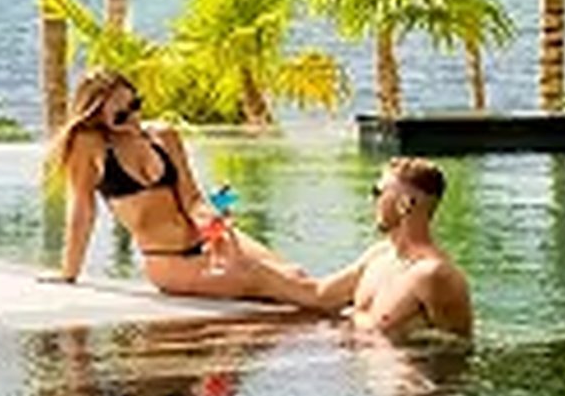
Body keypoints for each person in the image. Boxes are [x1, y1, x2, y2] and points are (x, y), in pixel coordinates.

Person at [51, 69, 341, 310]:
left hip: (208, 238)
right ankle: (361, 289)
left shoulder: (163, 136)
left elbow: (192, 198)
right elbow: (82, 210)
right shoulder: (89, 145)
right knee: (277, 283)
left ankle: (358, 300)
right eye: (120, 115)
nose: (133, 118)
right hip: (169, 261)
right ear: (96, 114)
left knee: (295, 276)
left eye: (135, 105)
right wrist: (69, 274)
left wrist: (213, 224)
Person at [324, 156, 474, 341]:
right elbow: (317, 294)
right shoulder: (379, 256)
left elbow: (458, 348)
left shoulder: (434, 275)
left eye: (378, 192)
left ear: (405, 204)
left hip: (399, 368)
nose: (372, 199)